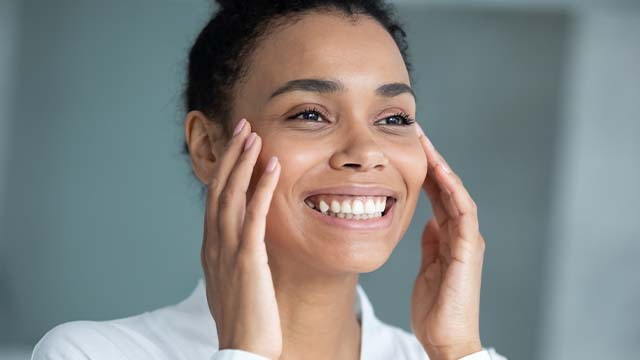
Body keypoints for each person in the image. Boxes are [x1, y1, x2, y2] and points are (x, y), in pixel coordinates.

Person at [32, 1, 508, 359]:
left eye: (394, 118)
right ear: (209, 148)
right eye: (310, 113)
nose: (365, 152)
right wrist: (245, 351)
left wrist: (459, 350)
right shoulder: (92, 353)